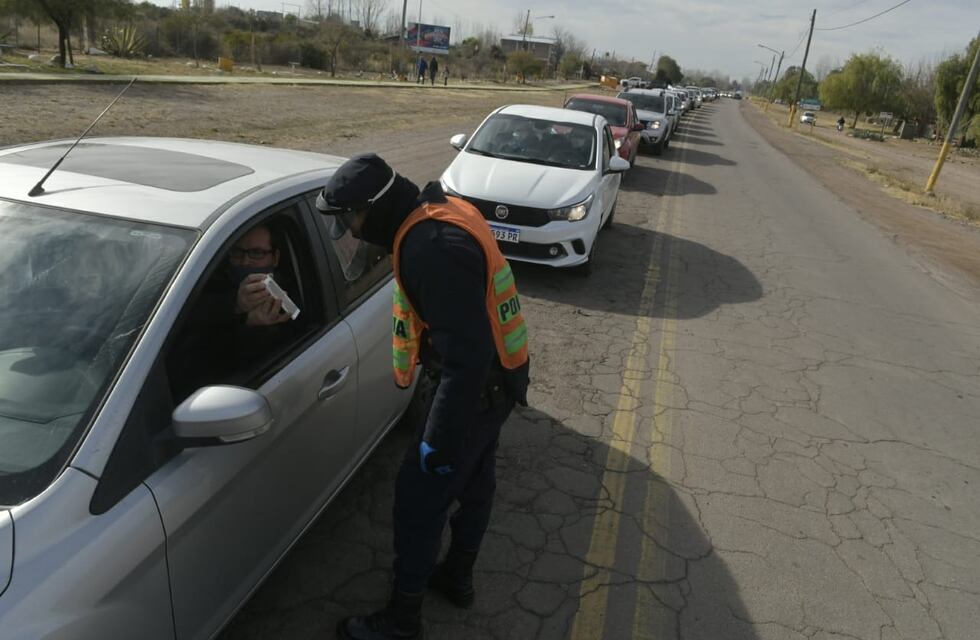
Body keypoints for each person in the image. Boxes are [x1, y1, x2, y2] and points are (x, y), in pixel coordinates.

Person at [316, 154, 530, 640]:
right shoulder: (442, 209)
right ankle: (456, 578)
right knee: (476, 484)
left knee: (417, 503)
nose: (351, 228)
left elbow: (467, 359)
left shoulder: (431, 247)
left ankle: (402, 620)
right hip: (499, 382)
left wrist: (438, 439)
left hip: (474, 391)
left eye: (352, 218)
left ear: (377, 206)